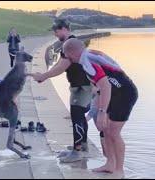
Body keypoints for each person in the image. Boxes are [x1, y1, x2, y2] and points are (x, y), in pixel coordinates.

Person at [63, 38, 138, 178]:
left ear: (71, 53)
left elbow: (105, 86)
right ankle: (110, 164)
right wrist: (97, 111)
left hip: (125, 94)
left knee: (114, 132)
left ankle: (119, 170)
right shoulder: (89, 55)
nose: (67, 59)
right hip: (114, 94)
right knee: (106, 129)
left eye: (67, 55)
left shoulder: (88, 62)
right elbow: (99, 89)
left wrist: (102, 112)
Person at [30, 19, 92, 163]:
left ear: (64, 28)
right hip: (79, 86)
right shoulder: (70, 43)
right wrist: (45, 73)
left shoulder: (70, 43)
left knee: (77, 116)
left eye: (56, 30)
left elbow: (63, 66)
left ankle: (77, 152)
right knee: (79, 116)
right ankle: (82, 147)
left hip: (83, 86)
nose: (55, 33)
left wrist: (44, 76)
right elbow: (60, 63)